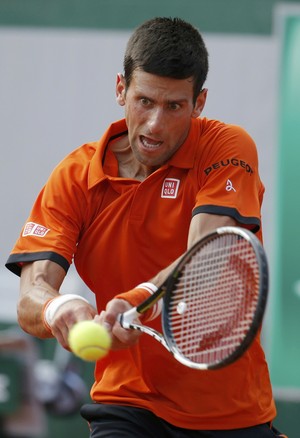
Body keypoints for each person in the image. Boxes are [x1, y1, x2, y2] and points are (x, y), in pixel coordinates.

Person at [5, 17, 286, 438]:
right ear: (121, 89)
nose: (155, 124)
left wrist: (134, 302)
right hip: (125, 403)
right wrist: (61, 310)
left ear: (199, 102)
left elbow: (208, 257)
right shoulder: (75, 177)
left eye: (174, 106)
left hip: (230, 413)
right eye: (144, 101)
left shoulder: (227, 146)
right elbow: (32, 296)